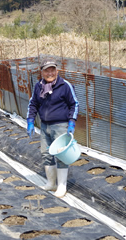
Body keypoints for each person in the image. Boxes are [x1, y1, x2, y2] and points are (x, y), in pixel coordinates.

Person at [26, 60, 79, 198]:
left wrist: (72, 122)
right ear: (42, 72)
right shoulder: (39, 86)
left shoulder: (65, 86)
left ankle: (62, 186)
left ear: (57, 71)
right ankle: (51, 183)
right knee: (46, 154)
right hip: (44, 126)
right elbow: (33, 104)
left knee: (61, 155)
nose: (49, 73)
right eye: (46, 71)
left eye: (52, 70)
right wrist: (30, 120)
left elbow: (74, 104)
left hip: (61, 126)